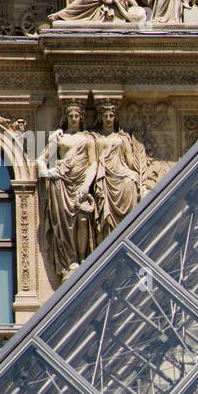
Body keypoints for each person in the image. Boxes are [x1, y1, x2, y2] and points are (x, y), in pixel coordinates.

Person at [36, 103, 100, 277]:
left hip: (80, 182)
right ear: (66, 117)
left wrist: (87, 185)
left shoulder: (88, 139)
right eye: (70, 116)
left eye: (76, 116)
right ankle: (70, 261)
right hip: (61, 184)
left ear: (81, 118)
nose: (73, 119)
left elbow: (93, 163)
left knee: (83, 220)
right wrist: (46, 172)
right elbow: (42, 159)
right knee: (64, 224)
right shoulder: (59, 138)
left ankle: (83, 257)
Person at [92, 102, 147, 242]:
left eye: (111, 115)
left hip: (121, 173)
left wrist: (137, 173)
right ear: (101, 118)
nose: (108, 118)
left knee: (129, 182)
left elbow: (129, 161)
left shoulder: (122, 138)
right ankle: (109, 240)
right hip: (105, 177)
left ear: (115, 118)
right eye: (105, 116)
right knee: (107, 213)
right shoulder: (94, 137)